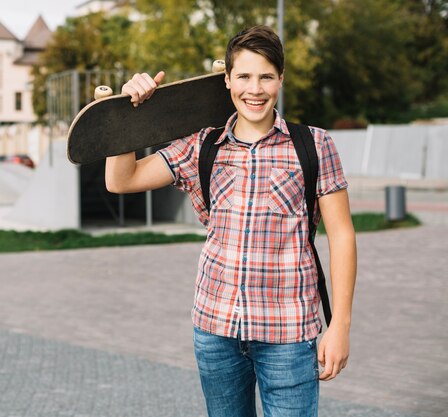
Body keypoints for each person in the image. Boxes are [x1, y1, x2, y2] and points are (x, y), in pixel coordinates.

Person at [105, 25, 356, 417]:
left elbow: (342, 237)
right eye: (243, 76)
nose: (254, 89)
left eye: (265, 77)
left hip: (288, 334)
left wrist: (339, 325)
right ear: (226, 80)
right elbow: (121, 180)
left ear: (280, 80)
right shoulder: (202, 146)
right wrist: (129, 115)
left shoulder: (314, 145)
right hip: (216, 330)